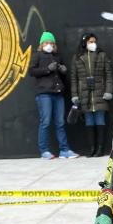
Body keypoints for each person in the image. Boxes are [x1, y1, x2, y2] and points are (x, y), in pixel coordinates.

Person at [29, 31, 79, 160]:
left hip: (58, 93)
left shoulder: (57, 57)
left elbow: (61, 76)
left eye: (51, 43)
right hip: (44, 94)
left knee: (60, 122)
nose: (49, 45)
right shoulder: (37, 56)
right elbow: (32, 71)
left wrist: (63, 71)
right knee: (45, 122)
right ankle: (44, 151)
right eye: (46, 43)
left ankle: (64, 150)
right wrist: (47, 69)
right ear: (41, 44)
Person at [72, 32, 113, 157]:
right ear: (85, 43)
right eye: (90, 41)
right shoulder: (77, 57)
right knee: (89, 121)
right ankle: (92, 148)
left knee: (100, 120)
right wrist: (75, 95)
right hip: (85, 94)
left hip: (99, 93)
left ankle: (100, 148)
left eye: (94, 41)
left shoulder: (102, 55)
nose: (93, 44)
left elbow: (109, 75)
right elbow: (74, 78)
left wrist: (108, 91)